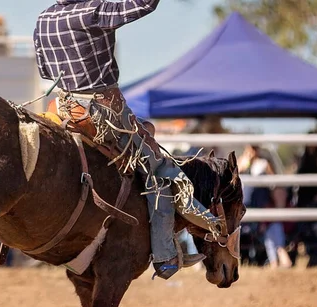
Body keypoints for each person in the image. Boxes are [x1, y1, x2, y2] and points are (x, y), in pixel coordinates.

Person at [34, 0, 223, 279]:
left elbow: (46, 72)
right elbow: (143, 4)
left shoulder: (44, 18)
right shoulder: (91, 11)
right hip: (102, 112)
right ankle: (165, 255)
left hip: (63, 107)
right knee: (161, 173)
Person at [238, 145, 292, 269]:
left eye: (253, 149)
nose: (251, 152)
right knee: (271, 226)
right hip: (243, 210)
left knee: (272, 226)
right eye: (249, 149)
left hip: (261, 207)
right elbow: (233, 176)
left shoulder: (263, 164)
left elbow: (274, 184)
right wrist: (246, 163)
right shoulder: (242, 162)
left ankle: (277, 260)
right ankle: (280, 257)